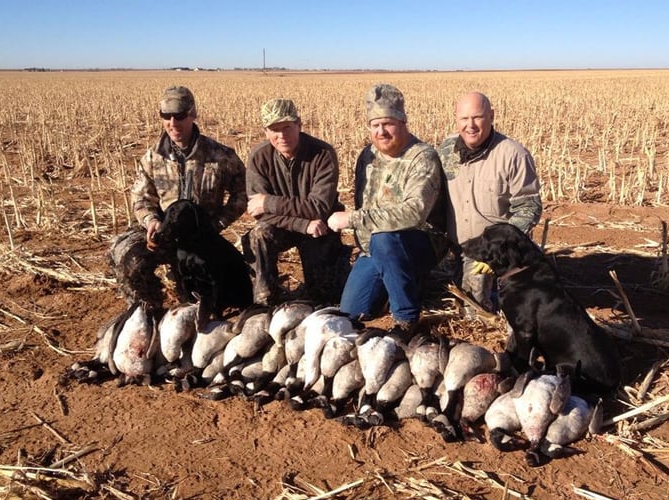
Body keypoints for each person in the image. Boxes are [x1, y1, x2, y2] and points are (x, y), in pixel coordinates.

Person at [109, 85, 247, 309]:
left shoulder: (220, 155)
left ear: (193, 114)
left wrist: (217, 223)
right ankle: (147, 311)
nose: (173, 123)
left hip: (201, 237)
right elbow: (142, 199)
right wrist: (151, 222)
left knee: (214, 295)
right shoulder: (152, 157)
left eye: (180, 115)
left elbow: (242, 193)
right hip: (163, 234)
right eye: (166, 116)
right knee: (126, 254)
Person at [328, 83, 446, 337]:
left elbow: (415, 212)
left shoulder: (422, 157)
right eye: (375, 125)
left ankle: (407, 319)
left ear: (403, 122)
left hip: (418, 243)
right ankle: (396, 282)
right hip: (375, 248)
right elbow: (363, 200)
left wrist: (353, 219)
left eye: (388, 123)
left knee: (384, 238)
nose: (381, 131)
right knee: (353, 312)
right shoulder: (366, 157)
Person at [437, 91, 542, 314]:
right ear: (456, 119)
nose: (470, 125)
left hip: (494, 252)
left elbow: (529, 207)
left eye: (477, 117)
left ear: (491, 116)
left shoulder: (513, 154)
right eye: (464, 119)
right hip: (459, 248)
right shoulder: (446, 150)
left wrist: (499, 249)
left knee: (476, 314)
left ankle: (498, 295)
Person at [242, 98, 349, 305]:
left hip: (320, 227)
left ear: (299, 125)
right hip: (291, 225)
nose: (282, 135)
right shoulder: (259, 156)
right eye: (274, 129)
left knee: (326, 299)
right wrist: (302, 224)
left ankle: (325, 287)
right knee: (258, 234)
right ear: (266, 131)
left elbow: (318, 207)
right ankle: (264, 299)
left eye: (287, 127)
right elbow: (257, 211)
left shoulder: (323, 154)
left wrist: (269, 202)